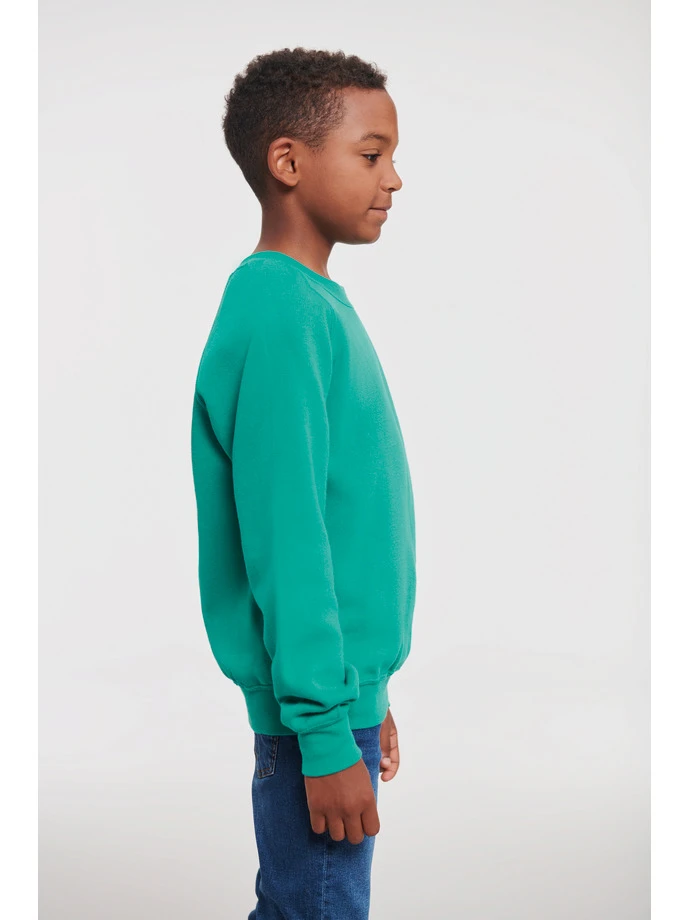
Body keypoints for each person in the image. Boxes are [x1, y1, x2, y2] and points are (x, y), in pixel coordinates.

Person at [190, 46, 416, 920]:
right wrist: (323, 729)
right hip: (311, 714)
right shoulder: (281, 312)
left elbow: (344, 516)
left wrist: (367, 695)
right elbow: (288, 538)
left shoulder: (309, 303)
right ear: (287, 162)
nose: (393, 179)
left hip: (333, 696)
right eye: (371, 154)